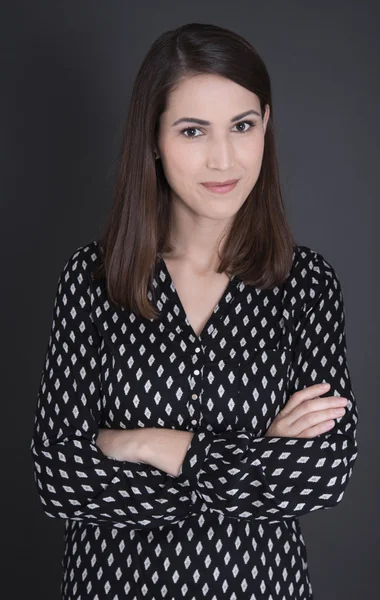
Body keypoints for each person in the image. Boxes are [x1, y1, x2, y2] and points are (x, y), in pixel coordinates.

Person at [30, 22, 359, 600]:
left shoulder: (305, 284)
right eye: (192, 130)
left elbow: (321, 474)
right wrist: (256, 456)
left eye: (242, 125)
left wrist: (153, 445)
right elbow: (60, 479)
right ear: (154, 139)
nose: (223, 157)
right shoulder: (92, 279)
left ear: (266, 128)